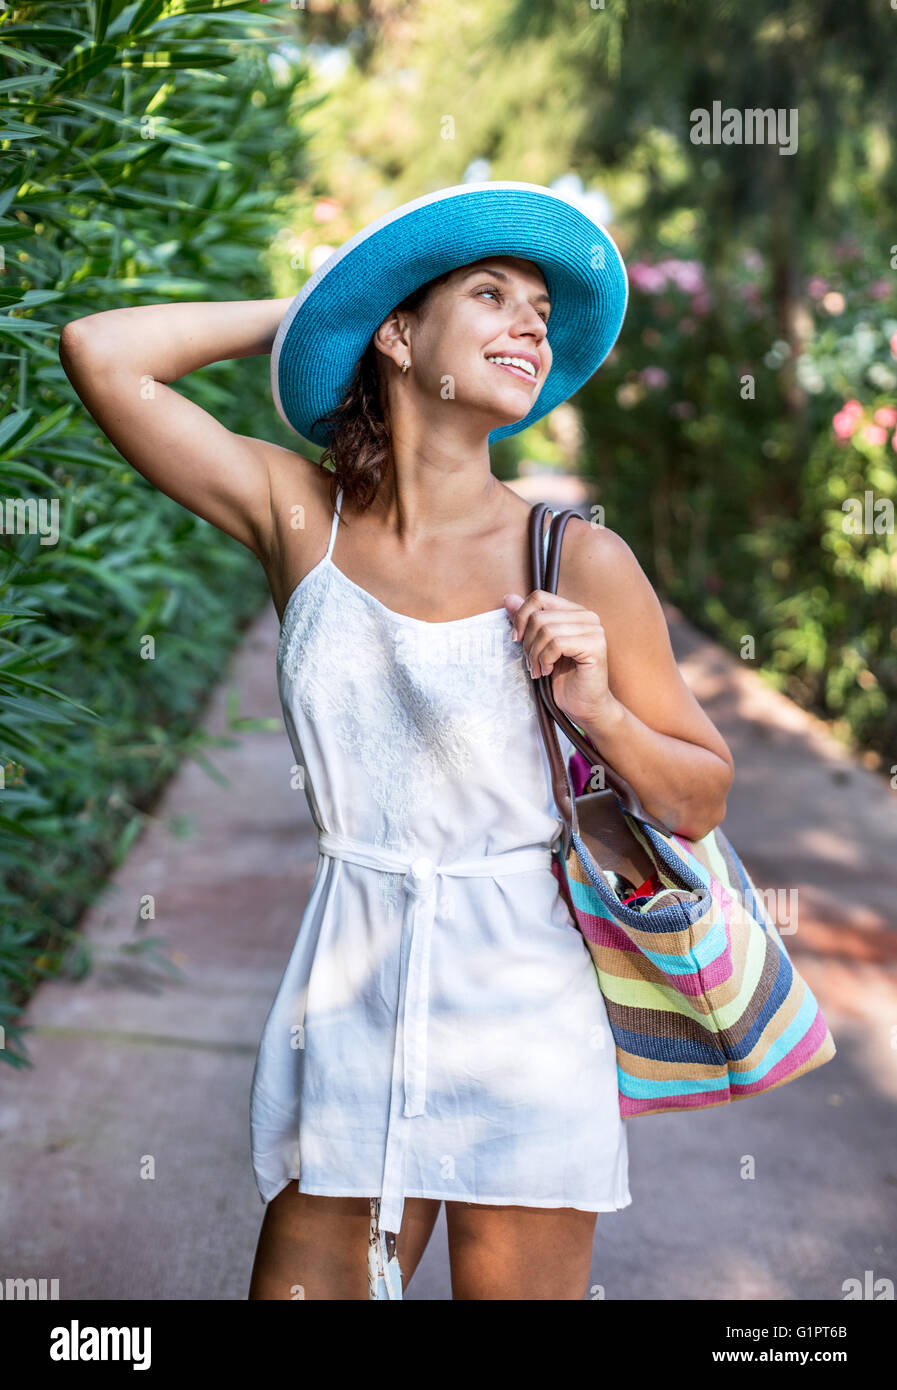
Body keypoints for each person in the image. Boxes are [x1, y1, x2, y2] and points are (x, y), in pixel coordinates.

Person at [59, 180, 734, 1301]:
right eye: (491, 293)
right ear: (399, 331)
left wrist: (600, 707)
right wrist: (321, 300)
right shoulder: (298, 514)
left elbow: (700, 798)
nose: (533, 322)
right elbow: (102, 352)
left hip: (526, 1006)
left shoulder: (577, 559)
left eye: (541, 309)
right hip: (352, 986)